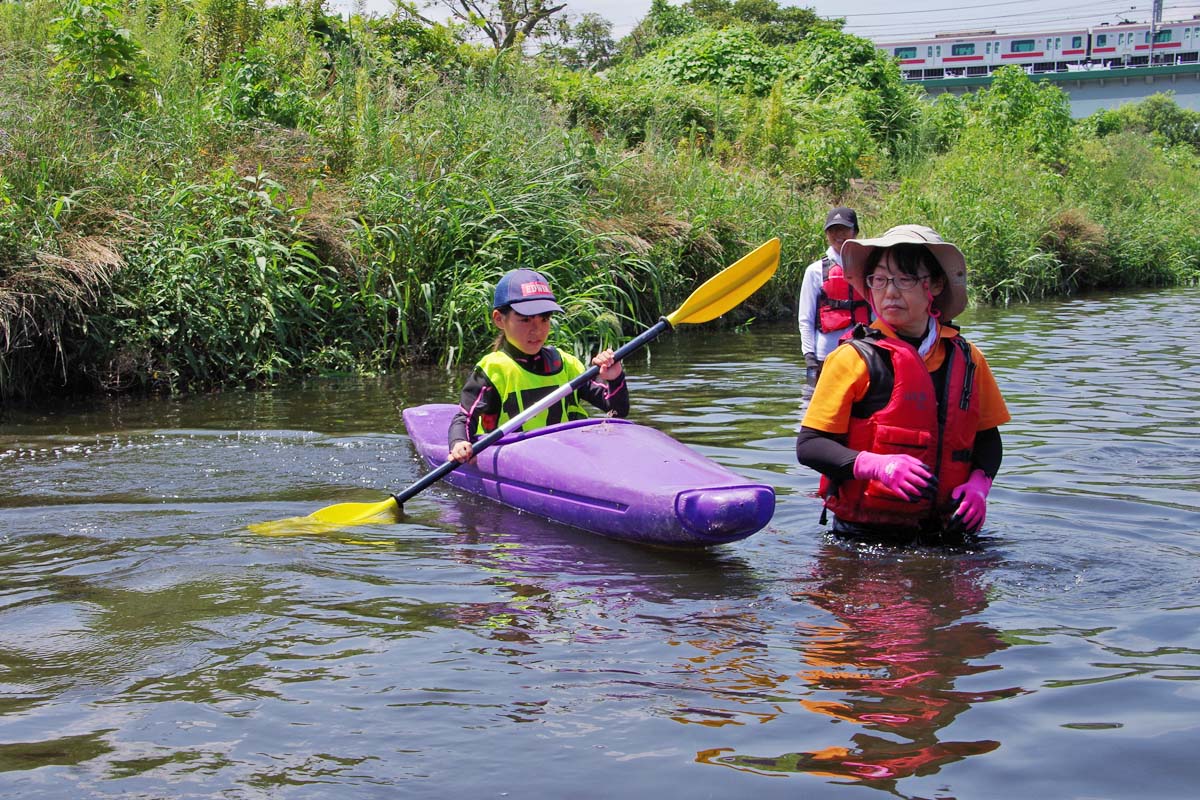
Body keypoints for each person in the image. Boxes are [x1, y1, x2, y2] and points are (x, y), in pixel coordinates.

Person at [794, 224, 1010, 542]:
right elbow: (810, 446)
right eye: (879, 280)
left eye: (904, 279)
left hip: (949, 533)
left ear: (934, 285)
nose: (889, 292)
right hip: (864, 536)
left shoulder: (969, 358)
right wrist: (875, 465)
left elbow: (988, 441)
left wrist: (980, 484)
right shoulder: (852, 358)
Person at [448, 268, 628, 463]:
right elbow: (464, 419)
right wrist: (459, 443)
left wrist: (615, 378)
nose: (537, 329)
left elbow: (617, 412)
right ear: (499, 319)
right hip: (514, 461)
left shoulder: (565, 363)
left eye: (545, 319)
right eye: (525, 320)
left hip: (569, 458)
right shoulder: (492, 369)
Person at [798, 207, 872, 384]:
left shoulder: (869, 268)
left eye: (844, 229)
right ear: (826, 234)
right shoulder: (814, 271)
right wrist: (809, 356)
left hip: (865, 351)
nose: (838, 235)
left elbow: (877, 312)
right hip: (826, 354)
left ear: (855, 231)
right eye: (833, 230)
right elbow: (805, 319)